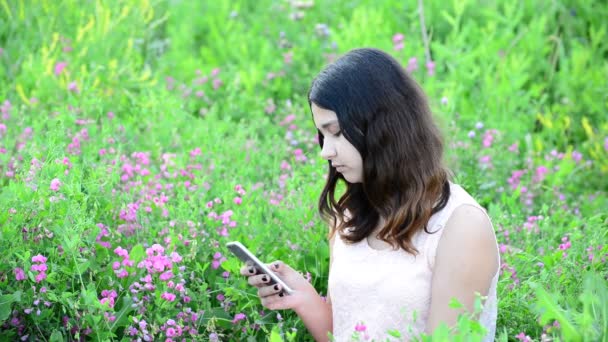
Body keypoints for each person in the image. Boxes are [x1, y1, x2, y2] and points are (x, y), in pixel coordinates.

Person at [240, 47, 500, 341]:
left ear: (382, 126)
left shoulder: (461, 225)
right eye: (322, 135)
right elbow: (347, 332)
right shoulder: (351, 214)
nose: (326, 151)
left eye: (336, 131)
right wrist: (302, 297)